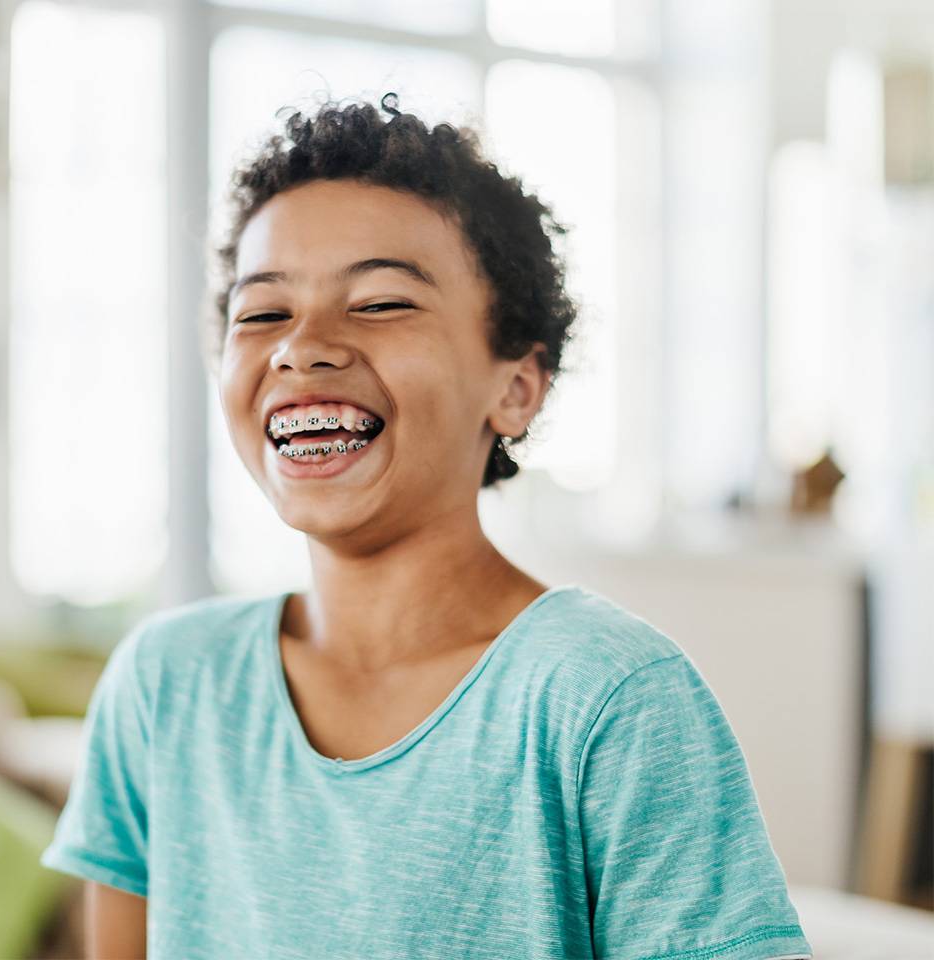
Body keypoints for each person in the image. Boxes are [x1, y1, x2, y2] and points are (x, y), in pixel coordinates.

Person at [41, 93, 813, 960]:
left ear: (516, 388)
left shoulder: (608, 699)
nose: (301, 346)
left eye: (379, 303)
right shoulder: (163, 686)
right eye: (262, 313)